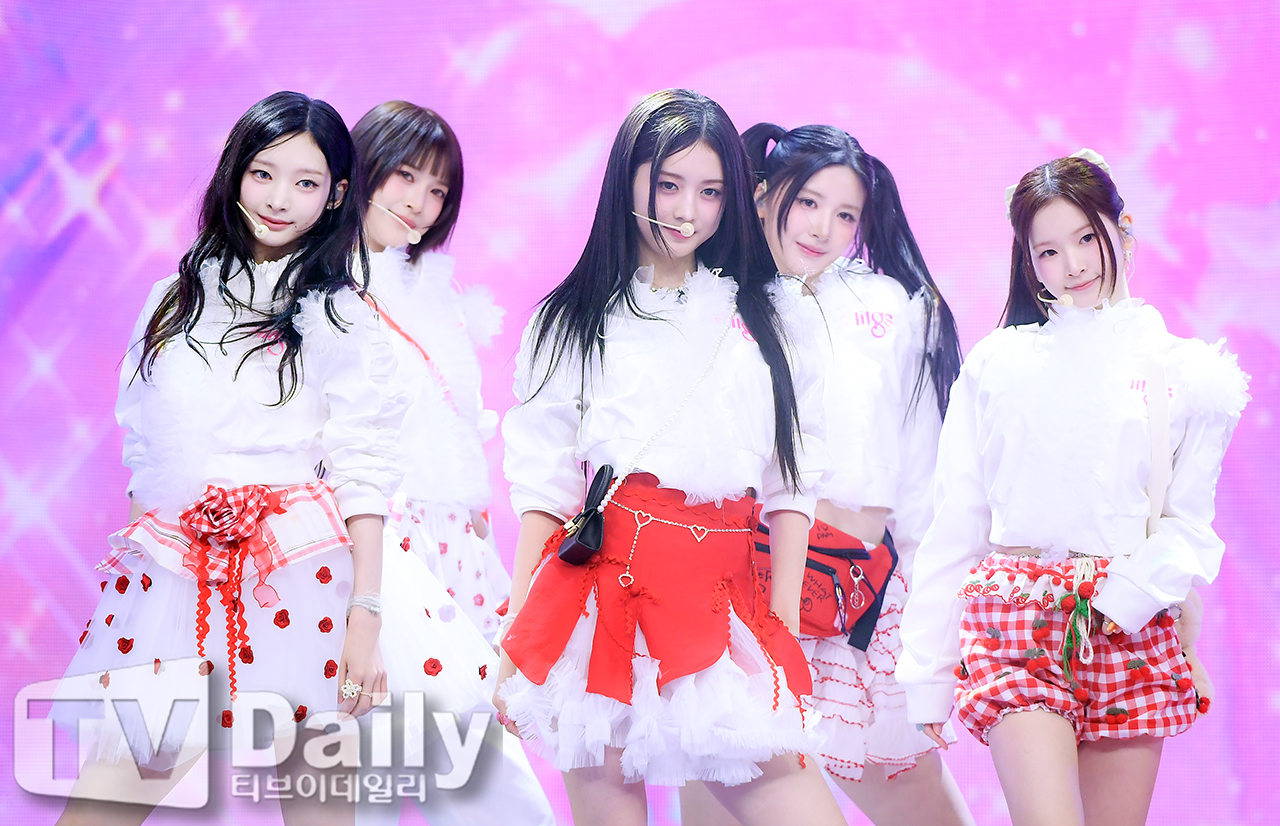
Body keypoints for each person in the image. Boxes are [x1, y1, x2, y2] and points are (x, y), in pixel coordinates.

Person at [55, 91, 487, 826]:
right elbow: (145, 449)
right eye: (263, 174)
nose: (280, 199)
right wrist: (136, 588)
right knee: (104, 805)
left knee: (318, 809)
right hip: (181, 575)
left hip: (304, 575)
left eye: (306, 182)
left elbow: (363, 469)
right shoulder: (173, 300)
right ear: (234, 174)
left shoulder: (341, 312)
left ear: (336, 194)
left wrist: (365, 615)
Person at [492, 89, 845, 826]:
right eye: (668, 185)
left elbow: (792, 485)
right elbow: (545, 489)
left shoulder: (777, 317)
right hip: (602, 602)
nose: (687, 212)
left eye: (710, 191)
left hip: (723, 607)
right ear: (628, 181)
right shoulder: (572, 318)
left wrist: (780, 621)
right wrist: (519, 631)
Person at [898, 151, 1249, 826]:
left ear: (1124, 229)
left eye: (1087, 237)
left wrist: (1126, 599)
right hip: (1019, 618)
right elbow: (959, 520)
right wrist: (926, 673)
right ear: (1030, 264)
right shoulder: (998, 364)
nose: (1074, 264)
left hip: (1126, 625)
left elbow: (1188, 525)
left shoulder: (1190, 375)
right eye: (1049, 251)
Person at [681, 123, 973, 825]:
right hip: (741, 598)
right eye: (808, 202)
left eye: (846, 214)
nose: (823, 228)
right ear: (762, 195)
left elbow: (923, 468)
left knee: (925, 805)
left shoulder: (891, 305)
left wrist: (933, 607)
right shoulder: (712, 302)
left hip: (857, 599)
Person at [351, 99, 554, 826]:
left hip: (451, 547)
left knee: (472, 780)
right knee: (371, 776)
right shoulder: (319, 288)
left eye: (438, 190)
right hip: (369, 546)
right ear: (362, 168)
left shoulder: (434, 293)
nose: (421, 202)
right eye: (406, 176)